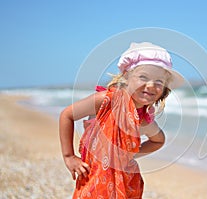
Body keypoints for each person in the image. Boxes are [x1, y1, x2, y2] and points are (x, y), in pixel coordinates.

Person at [59, 42, 184, 198]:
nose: (151, 85)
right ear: (126, 76)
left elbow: (158, 141)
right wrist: (69, 156)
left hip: (127, 183)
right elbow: (67, 115)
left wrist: (128, 155)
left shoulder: (144, 120)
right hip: (94, 178)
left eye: (159, 81)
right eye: (143, 77)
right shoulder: (106, 101)